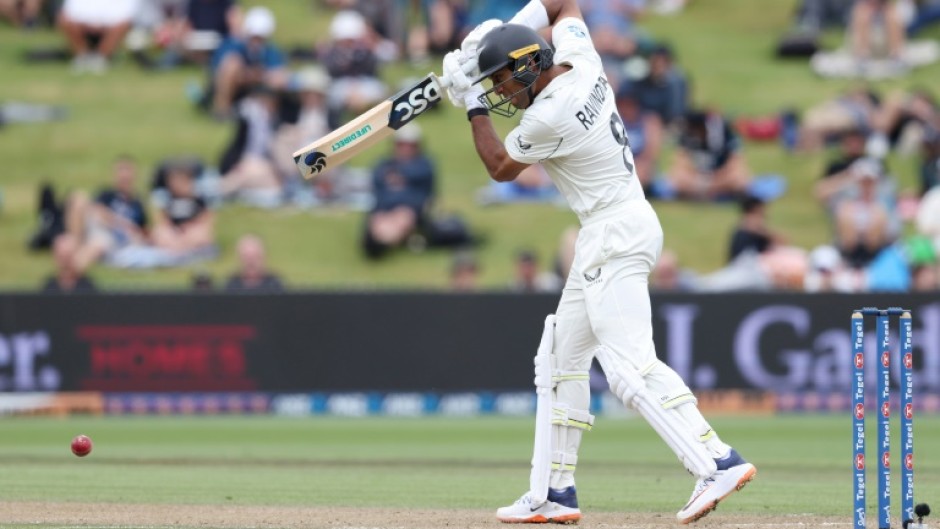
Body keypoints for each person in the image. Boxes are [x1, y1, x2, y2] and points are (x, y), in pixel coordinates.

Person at [441, 0, 755, 524]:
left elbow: (499, 167)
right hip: (614, 226)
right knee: (560, 358)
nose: (499, 93)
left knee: (628, 367)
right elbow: (565, 3)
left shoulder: (550, 113)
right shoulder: (581, 58)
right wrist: (504, 28)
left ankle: (716, 460)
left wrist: (472, 102)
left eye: (500, 82)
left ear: (526, 68)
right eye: (492, 87)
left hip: (613, 231)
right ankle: (553, 492)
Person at [362, 124, 436, 259]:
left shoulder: (423, 165)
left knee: (401, 218)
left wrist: (399, 174)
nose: (405, 149)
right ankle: (378, 242)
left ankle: (381, 244)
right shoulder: (384, 164)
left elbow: (425, 185)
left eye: (410, 145)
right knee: (379, 221)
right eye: (402, 144)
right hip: (384, 209)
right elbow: (376, 181)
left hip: (408, 210)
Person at [57, 0, 139, 73]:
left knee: (124, 24)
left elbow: (125, 15)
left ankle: (101, 59)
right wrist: (91, 23)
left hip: (109, 27)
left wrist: (101, 24)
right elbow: (71, 12)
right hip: (84, 27)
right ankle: (82, 57)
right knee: (64, 20)